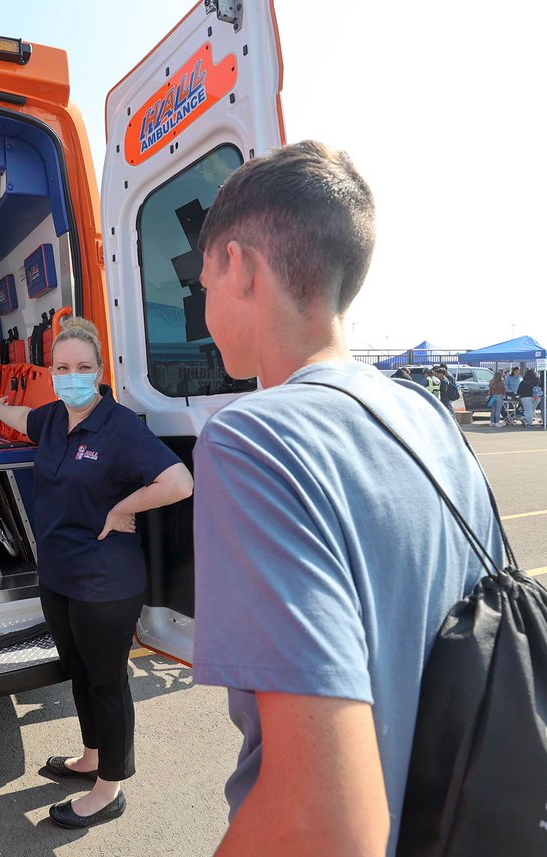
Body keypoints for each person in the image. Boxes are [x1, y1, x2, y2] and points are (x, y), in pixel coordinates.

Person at [191, 140, 503, 855]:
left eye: (203, 280)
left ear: (238, 266)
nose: (203, 304)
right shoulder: (426, 415)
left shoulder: (253, 440)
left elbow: (323, 824)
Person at [0, 317, 194, 829]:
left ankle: (110, 787)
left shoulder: (119, 425)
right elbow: (19, 415)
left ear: (100, 372)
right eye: (62, 368)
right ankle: (92, 755)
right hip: (57, 575)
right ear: (52, 373)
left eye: (83, 367)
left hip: (105, 582)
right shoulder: (53, 418)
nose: (72, 376)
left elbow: (179, 481)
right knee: (78, 673)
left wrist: (124, 507)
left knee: (107, 682)